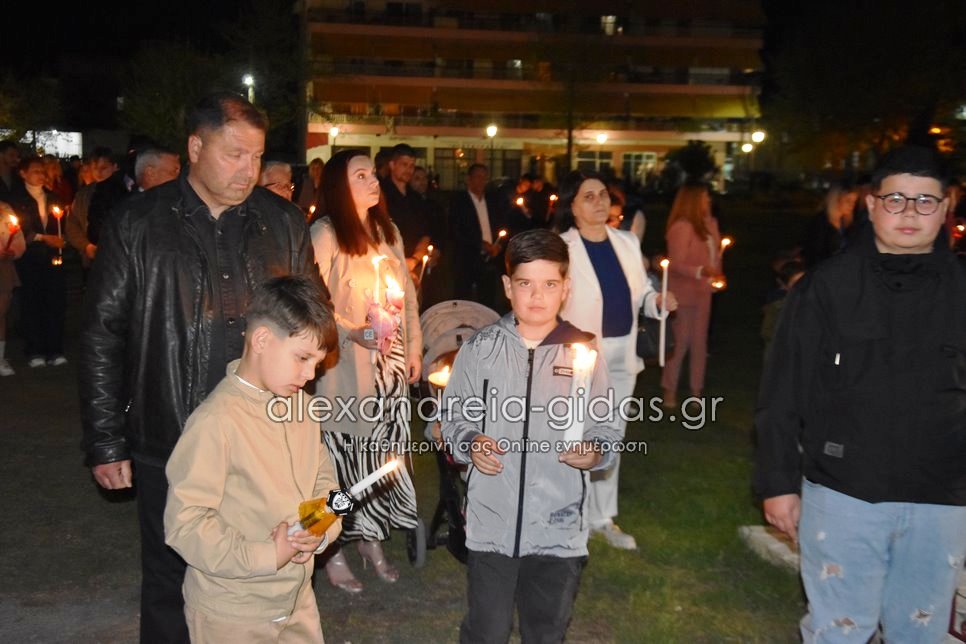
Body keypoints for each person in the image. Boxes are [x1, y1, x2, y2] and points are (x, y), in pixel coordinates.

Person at [79, 91, 323, 644]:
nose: (248, 170)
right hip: (170, 430)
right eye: (234, 154)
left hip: (265, 435)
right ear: (195, 147)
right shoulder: (137, 222)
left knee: (270, 564)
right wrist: (106, 439)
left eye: (256, 156)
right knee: (171, 577)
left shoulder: (283, 222)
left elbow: (312, 316)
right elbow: (102, 333)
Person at [755, 146, 966, 642]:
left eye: (925, 201)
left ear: (947, 206)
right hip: (844, 492)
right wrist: (778, 482)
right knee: (839, 631)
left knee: (921, 632)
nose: (909, 213)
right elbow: (782, 390)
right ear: (871, 205)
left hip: (943, 498)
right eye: (895, 199)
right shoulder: (826, 288)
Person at [441, 228, 623, 643]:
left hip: (558, 526)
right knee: (488, 630)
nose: (537, 296)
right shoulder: (481, 349)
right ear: (508, 287)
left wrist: (595, 450)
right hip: (492, 523)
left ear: (566, 288)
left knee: (546, 630)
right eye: (525, 284)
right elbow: (451, 416)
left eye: (549, 284)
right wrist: (470, 442)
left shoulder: (583, 353)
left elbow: (607, 425)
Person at [164, 275, 341, 643]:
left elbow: (325, 482)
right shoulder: (216, 422)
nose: (310, 374)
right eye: (302, 358)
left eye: (317, 363)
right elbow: (185, 524)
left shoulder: (304, 409)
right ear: (261, 340)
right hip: (233, 613)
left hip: (297, 602)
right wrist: (266, 554)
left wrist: (320, 530)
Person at [310, 149, 421, 594]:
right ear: (340, 184)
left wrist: (413, 348)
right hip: (344, 372)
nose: (373, 181)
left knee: (378, 459)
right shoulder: (325, 233)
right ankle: (331, 547)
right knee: (339, 460)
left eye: (373, 174)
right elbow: (311, 301)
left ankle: (370, 536)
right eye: (361, 175)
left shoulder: (387, 230)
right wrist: (351, 331)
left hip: (387, 371)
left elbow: (407, 295)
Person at [556, 169, 677, 550]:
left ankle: (602, 517)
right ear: (573, 206)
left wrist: (656, 302)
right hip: (581, 356)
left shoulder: (626, 241)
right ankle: (571, 514)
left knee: (611, 436)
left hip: (623, 352)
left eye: (603, 194)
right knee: (577, 435)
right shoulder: (560, 248)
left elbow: (641, 294)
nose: (599, 201)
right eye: (588, 196)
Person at [660, 183, 723, 407]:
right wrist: (699, 271)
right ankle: (670, 389)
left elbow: (716, 256)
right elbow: (675, 263)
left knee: (699, 343)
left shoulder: (710, 225)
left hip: (704, 292)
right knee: (680, 343)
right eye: (705, 197)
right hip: (684, 293)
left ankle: (696, 390)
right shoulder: (682, 227)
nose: (708, 201)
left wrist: (717, 277)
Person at [9, 157, 68, 367]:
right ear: (23, 173)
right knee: (31, 301)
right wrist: (42, 238)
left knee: (54, 300)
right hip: (29, 257)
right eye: (35, 171)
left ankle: (54, 348)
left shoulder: (52, 197)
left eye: (43, 171)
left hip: (52, 256)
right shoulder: (16, 199)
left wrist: (60, 239)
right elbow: (17, 227)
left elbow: (61, 224)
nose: (41, 175)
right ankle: (34, 349)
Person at [450, 163, 507, 311]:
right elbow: (456, 230)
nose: (481, 181)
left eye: (484, 178)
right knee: (463, 298)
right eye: (478, 177)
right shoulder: (459, 202)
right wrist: (479, 244)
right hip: (467, 258)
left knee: (487, 300)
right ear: (469, 179)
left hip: (489, 258)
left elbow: (500, 225)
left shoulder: (492, 201)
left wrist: (498, 245)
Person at [379, 143, 430, 261]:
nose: (409, 170)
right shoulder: (380, 194)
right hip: (388, 261)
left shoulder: (416, 198)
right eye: (404, 165)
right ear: (392, 165)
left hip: (414, 261)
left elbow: (425, 232)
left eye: (412, 166)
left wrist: (415, 259)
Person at [800, 179, 860, 268]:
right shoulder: (821, 223)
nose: (852, 205)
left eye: (854, 201)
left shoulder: (847, 223)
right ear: (835, 200)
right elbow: (814, 254)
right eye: (848, 200)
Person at [0, 200, 26, 376]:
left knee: (1, 313)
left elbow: (17, 238)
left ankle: (0, 358)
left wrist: (13, 250)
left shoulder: (5, 209)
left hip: (3, 268)